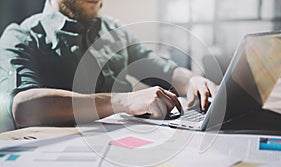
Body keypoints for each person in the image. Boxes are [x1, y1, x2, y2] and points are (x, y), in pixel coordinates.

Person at [0, 0, 217, 131]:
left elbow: (160, 67)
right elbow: (23, 107)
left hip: (127, 149)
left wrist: (192, 81)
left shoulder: (116, 31)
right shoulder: (21, 36)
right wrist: (123, 101)